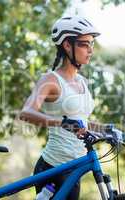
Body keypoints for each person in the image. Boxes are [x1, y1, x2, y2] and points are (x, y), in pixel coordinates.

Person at [19, 16, 103, 199]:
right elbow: (26, 113)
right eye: (84, 44)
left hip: (74, 168)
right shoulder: (51, 80)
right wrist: (61, 122)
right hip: (53, 168)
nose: (90, 50)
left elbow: (81, 121)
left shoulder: (82, 82)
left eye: (92, 44)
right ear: (67, 45)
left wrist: (108, 129)